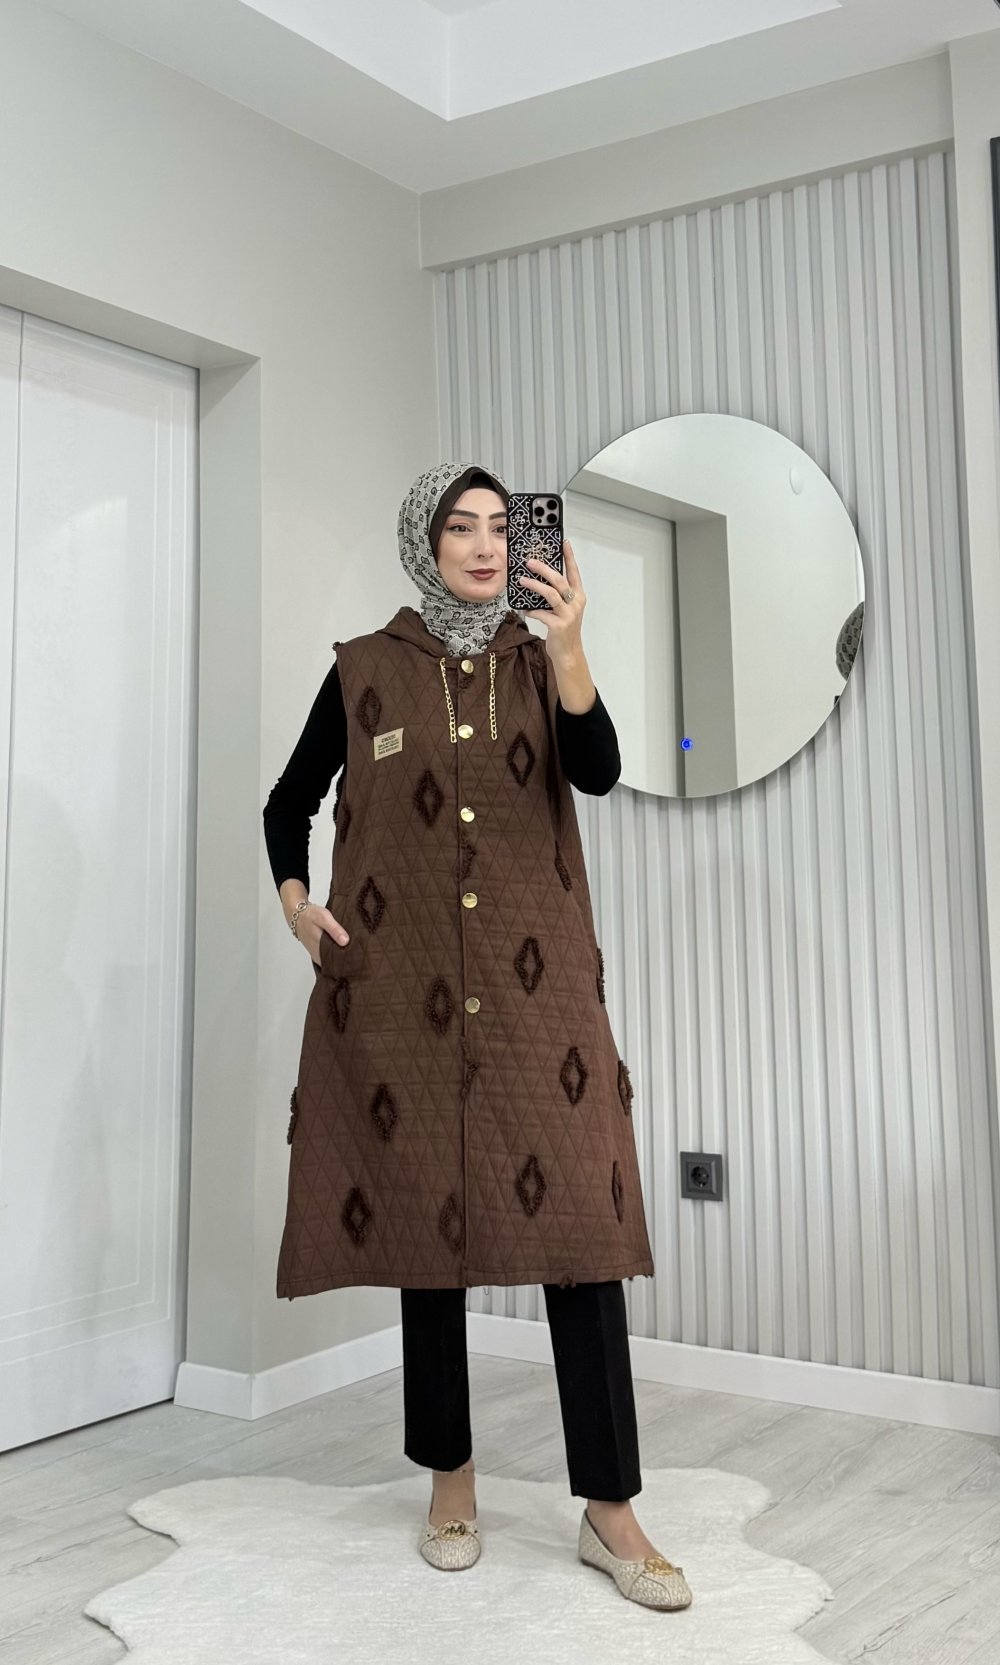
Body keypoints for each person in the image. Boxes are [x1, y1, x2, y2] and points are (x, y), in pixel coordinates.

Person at [262, 462, 692, 1610]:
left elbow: (596, 775)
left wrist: (569, 646)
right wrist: (299, 907)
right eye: (461, 526)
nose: (487, 545)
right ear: (425, 541)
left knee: (583, 1233)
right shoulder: (364, 668)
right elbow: (287, 802)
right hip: (401, 991)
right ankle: (449, 1483)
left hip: (540, 1000)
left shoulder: (539, 661)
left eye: (502, 527)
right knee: (428, 1230)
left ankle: (610, 1509)